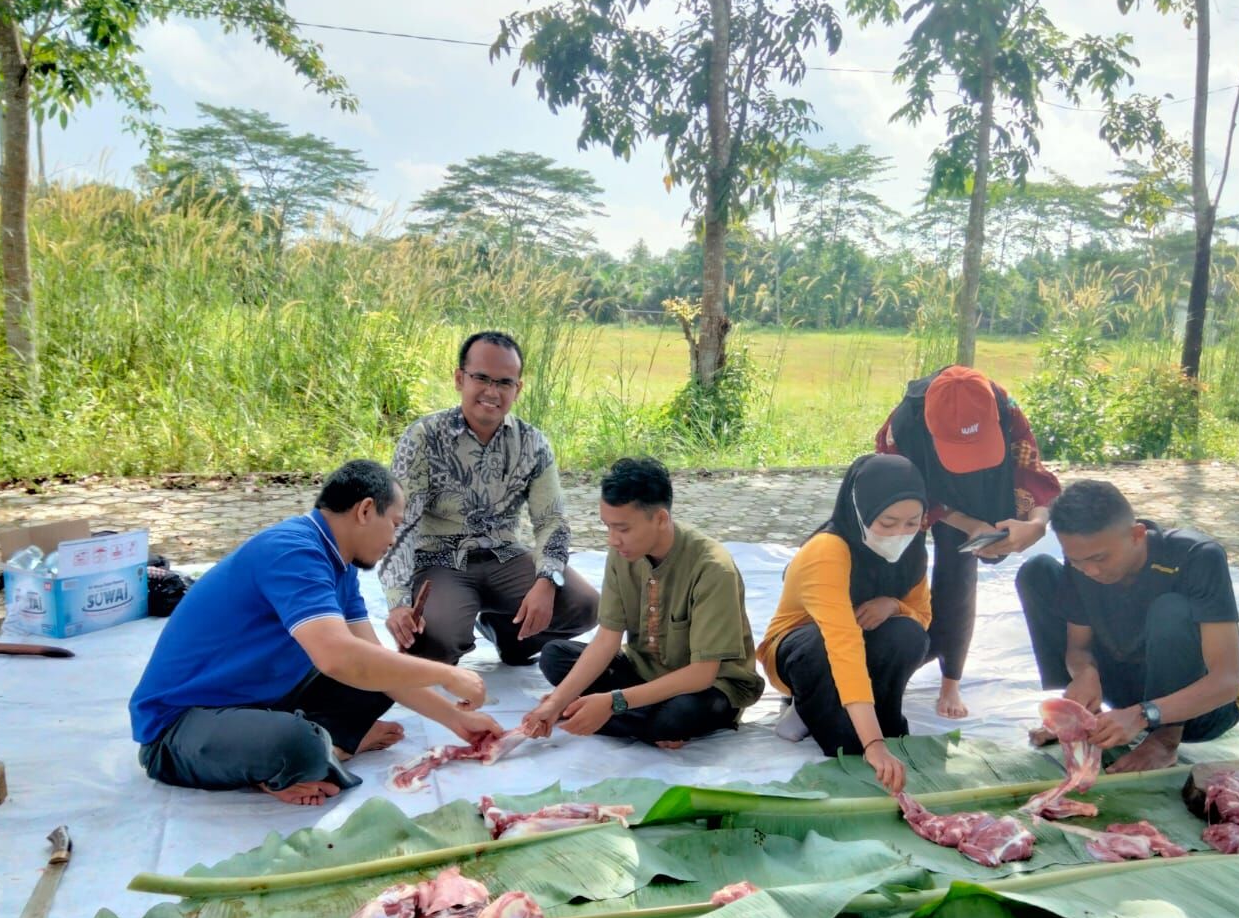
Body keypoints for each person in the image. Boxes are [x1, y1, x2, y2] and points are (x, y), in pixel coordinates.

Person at [129, 460, 501, 806]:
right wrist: (447, 675)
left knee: (380, 674)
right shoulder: (292, 551)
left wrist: (458, 720)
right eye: (394, 523)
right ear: (365, 510)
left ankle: (319, 747)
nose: (394, 539)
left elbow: (369, 657)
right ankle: (312, 752)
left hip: (258, 699)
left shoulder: (340, 566)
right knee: (299, 744)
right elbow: (337, 657)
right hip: (179, 726)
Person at [381, 330, 599, 667]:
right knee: (430, 641)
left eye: (504, 382)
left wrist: (547, 581)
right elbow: (400, 524)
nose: (492, 392)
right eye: (481, 378)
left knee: (585, 606)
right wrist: (397, 603)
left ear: (518, 388)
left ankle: (511, 637)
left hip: (506, 556)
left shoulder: (532, 443)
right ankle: (452, 632)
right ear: (460, 379)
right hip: (439, 561)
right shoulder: (423, 437)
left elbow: (551, 520)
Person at [521, 457, 763, 749]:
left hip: (707, 686)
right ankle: (635, 720)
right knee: (554, 656)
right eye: (608, 527)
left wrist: (614, 701)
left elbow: (702, 673)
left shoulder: (712, 568)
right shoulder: (623, 553)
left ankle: (626, 717)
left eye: (623, 529)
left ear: (660, 519)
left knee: (679, 716)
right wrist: (556, 702)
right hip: (642, 672)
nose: (613, 540)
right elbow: (607, 640)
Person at [1015, 479, 1239, 772]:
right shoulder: (1083, 562)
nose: (1090, 570)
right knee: (1037, 571)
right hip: (1127, 693)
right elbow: (1078, 648)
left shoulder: (1197, 557)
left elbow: (1226, 682)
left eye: (1099, 558)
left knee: (1171, 609)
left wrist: (1144, 715)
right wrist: (1085, 672)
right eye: (1077, 560)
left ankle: (1165, 739)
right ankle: (1078, 713)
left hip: (1200, 710)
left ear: (1137, 535)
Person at [875, 365, 1061, 720]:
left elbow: (1031, 473)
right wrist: (967, 522)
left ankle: (951, 679)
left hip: (982, 488)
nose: (968, 459)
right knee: (901, 563)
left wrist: (1036, 525)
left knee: (958, 572)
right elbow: (912, 496)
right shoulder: (902, 430)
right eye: (960, 448)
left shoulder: (1005, 409)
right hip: (926, 485)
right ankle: (900, 656)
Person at [758, 455, 932, 793]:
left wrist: (893, 605)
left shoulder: (913, 552)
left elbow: (922, 617)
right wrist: (873, 745)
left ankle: (866, 715)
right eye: (887, 523)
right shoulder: (828, 550)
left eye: (912, 522)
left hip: (859, 643)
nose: (900, 534)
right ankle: (805, 704)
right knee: (850, 746)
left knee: (908, 634)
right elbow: (843, 645)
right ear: (860, 510)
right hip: (804, 649)